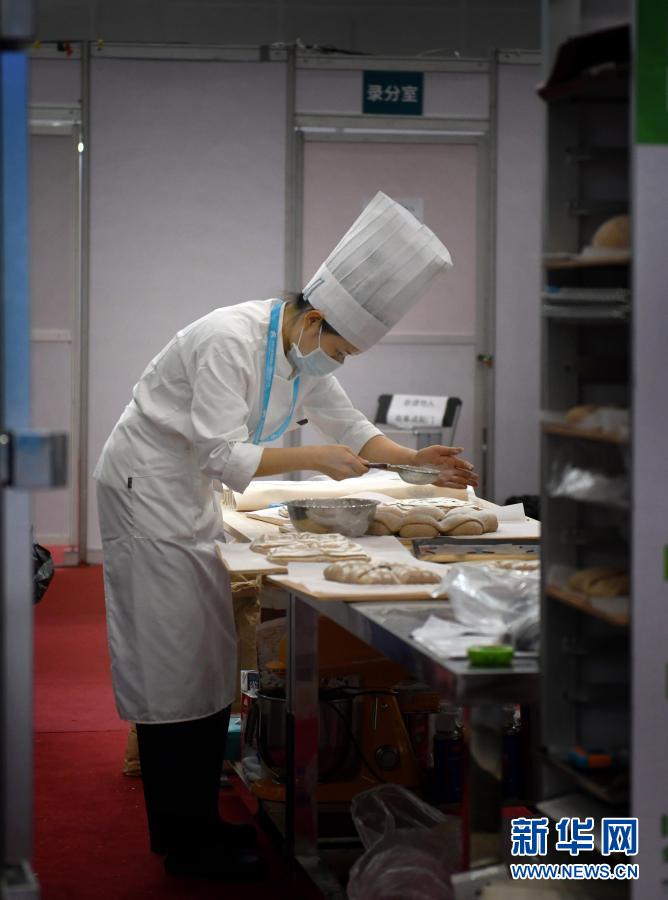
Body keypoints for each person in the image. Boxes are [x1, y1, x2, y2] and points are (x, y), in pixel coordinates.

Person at [94, 191, 478, 881]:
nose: (339, 363)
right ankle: (182, 842)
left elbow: (351, 428)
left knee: (205, 658)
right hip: (147, 492)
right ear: (316, 319)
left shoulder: (301, 357)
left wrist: (413, 460)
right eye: (341, 349)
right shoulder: (229, 339)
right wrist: (316, 460)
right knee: (171, 659)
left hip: (187, 497)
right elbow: (220, 452)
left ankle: (198, 825)